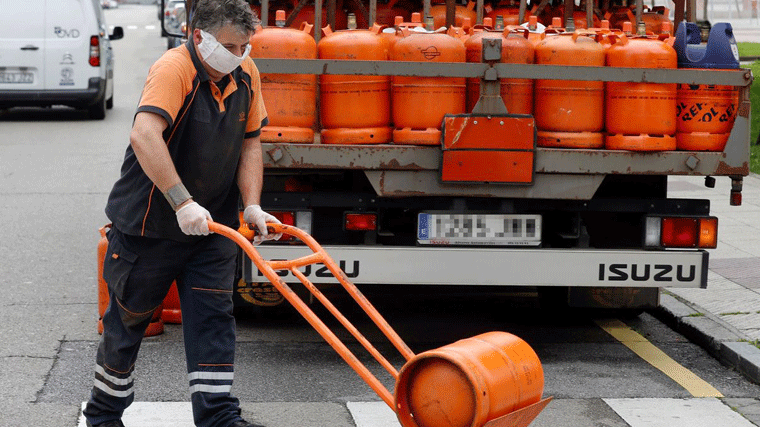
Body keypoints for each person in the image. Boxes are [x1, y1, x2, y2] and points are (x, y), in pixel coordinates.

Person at [83, 1, 280, 426]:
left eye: (245, 45)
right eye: (229, 45)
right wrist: (182, 201)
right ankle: (103, 416)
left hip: (213, 228)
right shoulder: (175, 69)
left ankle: (218, 418)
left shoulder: (246, 73)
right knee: (128, 321)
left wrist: (251, 204)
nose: (239, 54)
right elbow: (144, 133)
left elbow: (250, 143)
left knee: (213, 320)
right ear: (198, 37)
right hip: (149, 225)